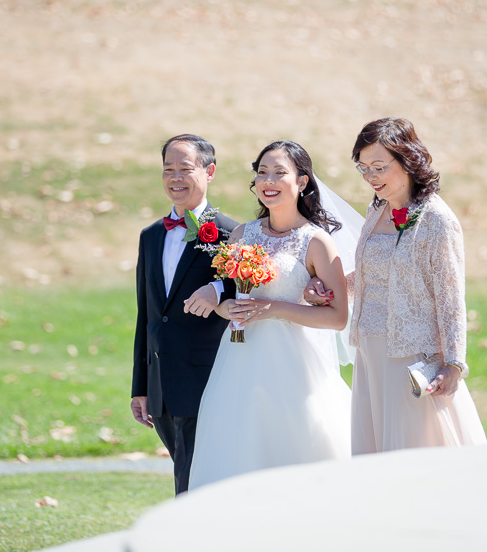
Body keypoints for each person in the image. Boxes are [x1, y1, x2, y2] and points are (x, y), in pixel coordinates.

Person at [310, 117, 487, 453]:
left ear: (407, 159)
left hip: (409, 356)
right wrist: (330, 290)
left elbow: (451, 298)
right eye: (363, 168)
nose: (370, 177)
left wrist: (454, 364)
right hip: (370, 351)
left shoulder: (438, 221)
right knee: (375, 453)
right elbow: (374, 274)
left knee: (415, 454)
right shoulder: (377, 209)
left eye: (378, 167)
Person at [186, 140, 353, 490]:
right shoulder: (243, 234)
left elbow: (337, 317)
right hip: (239, 361)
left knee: (295, 450)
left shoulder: (315, 241)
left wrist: (274, 309)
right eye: (262, 172)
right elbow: (233, 292)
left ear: (302, 182)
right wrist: (222, 305)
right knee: (237, 446)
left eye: (279, 172)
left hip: (293, 366)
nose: (268, 180)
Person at [130, 134, 239, 495]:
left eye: (185, 169)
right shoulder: (150, 236)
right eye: (168, 169)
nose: (175, 177)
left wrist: (219, 289)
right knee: (187, 471)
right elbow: (146, 316)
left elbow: (246, 290)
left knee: (191, 481)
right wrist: (141, 388)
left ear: (209, 172)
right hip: (161, 386)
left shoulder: (230, 233)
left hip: (204, 378)